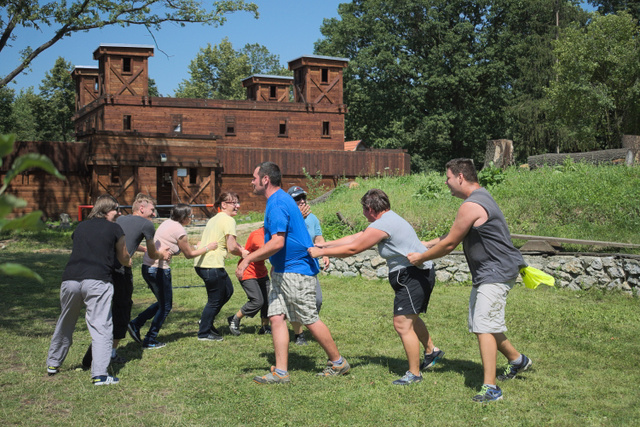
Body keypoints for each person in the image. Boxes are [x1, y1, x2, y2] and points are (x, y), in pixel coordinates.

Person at [407, 158, 532, 402]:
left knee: (484, 324)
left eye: (448, 177)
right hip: (492, 271)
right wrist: (427, 244)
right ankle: (518, 360)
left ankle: (491, 388)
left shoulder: (472, 204)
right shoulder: (479, 197)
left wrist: (420, 257)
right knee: (482, 322)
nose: (446, 182)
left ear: (460, 177)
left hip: (495, 271)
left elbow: (451, 244)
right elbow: (454, 234)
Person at [308, 188, 443, 385]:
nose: (363, 213)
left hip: (412, 275)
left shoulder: (385, 224)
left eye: (364, 209)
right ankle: (432, 351)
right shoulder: (387, 220)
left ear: (370, 208)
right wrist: (324, 246)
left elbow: (355, 248)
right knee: (410, 318)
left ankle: (414, 374)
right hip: (414, 274)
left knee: (402, 323)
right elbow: (357, 237)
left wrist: (319, 253)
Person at [236, 162, 350, 384]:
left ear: (265, 179)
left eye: (254, 177)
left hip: (296, 271)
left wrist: (248, 258)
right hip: (282, 270)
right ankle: (281, 372)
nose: (252, 181)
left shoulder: (278, 202)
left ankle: (338, 363)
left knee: (308, 318)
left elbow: (277, 242)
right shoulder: (278, 200)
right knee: (276, 317)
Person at [46, 194, 131, 385]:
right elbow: (123, 256)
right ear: (106, 210)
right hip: (98, 281)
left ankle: (53, 363)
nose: (118, 213)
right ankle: (100, 374)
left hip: (70, 279)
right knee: (101, 326)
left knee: (65, 321)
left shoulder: (80, 227)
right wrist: (128, 262)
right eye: (115, 209)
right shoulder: (115, 228)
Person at [82, 193, 169, 367]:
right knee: (122, 310)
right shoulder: (147, 224)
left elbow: (125, 242)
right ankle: (110, 353)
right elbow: (153, 254)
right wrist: (162, 254)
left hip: (104, 269)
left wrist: (141, 248)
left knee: (106, 310)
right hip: (122, 271)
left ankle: (96, 352)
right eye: (152, 210)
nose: (154, 214)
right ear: (142, 208)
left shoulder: (119, 220)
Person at [128, 204, 216, 349]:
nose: (191, 218)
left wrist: (194, 247)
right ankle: (150, 339)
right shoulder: (179, 230)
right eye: (190, 215)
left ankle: (136, 323)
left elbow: (176, 248)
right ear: (184, 217)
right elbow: (188, 255)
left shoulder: (167, 223)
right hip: (158, 270)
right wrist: (207, 248)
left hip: (148, 267)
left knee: (162, 302)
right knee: (166, 306)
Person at [194, 192, 249, 341]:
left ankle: (206, 320)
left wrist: (239, 247)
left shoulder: (215, 219)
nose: (237, 206)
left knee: (227, 291)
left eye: (238, 202)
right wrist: (243, 253)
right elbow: (231, 247)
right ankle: (204, 333)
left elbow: (226, 241)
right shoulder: (228, 220)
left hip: (203, 264)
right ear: (223, 205)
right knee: (215, 299)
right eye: (233, 203)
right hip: (211, 265)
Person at [286, 186, 329, 346]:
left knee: (316, 300)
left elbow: (319, 239)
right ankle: (299, 334)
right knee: (295, 301)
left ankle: (308, 324)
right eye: (298, 198)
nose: (302, 201)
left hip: (310, 267)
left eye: (303, 197)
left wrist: (324, 252)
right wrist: (297, 219)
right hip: (291, 267)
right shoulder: (286, 218)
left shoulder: (312, 219)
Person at [228, 226, 271, 336]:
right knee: (257, 301)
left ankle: (265, 326)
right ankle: (235, 319)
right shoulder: (257, 235)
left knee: (267, 300)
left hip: (261, 272)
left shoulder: (271, 235)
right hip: (247, 272)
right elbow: (266, 250)